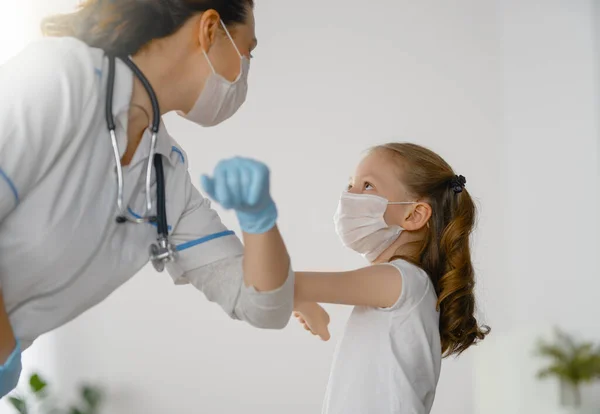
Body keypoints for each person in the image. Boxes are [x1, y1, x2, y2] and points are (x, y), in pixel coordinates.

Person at [0, 0, 295, 397]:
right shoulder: (60, 75)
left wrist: (260, 220)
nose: (246, 70)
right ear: (209, 29)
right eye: (248, 49)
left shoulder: (165, 172)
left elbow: (263, 306)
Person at [292, 143, 490, 414]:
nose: (349, 195)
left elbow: (275, 282)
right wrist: (300, 299)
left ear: (414, 214)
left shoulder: (401, 281)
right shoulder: (411, 285)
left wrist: (298, 296)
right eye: (351, 185)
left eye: (368, 186)